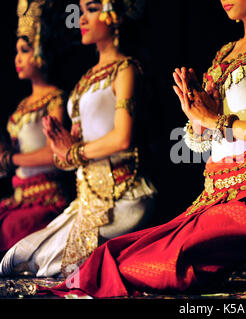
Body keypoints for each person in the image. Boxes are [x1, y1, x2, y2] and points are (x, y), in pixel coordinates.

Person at [39, 0, 246, 298]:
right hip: (212, 198)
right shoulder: (224, 53)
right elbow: (206, 136)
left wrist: (216, 120)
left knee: (152, 268)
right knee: (116, 255)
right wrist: (197, 117)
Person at [0, 0, 156, 279]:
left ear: (115, 16)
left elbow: (122, 139)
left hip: (122, 198)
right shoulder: (85, 80)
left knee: (47, 265)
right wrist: (62, 150)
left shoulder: (125, 69)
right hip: (86, 200)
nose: (81, 19)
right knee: (18, 257)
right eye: (81, 10)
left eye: (92, 9)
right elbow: (74, 151)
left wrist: (72, 154)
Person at [0, 0, 70, 259]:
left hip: (47, 198)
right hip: (18, 195)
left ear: (41, 51)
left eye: (25, 50)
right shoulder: (21, 106)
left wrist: (11, 159)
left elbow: (56, 154)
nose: (17, 59)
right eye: (17, 51)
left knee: (9, 229)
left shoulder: (55, 100)